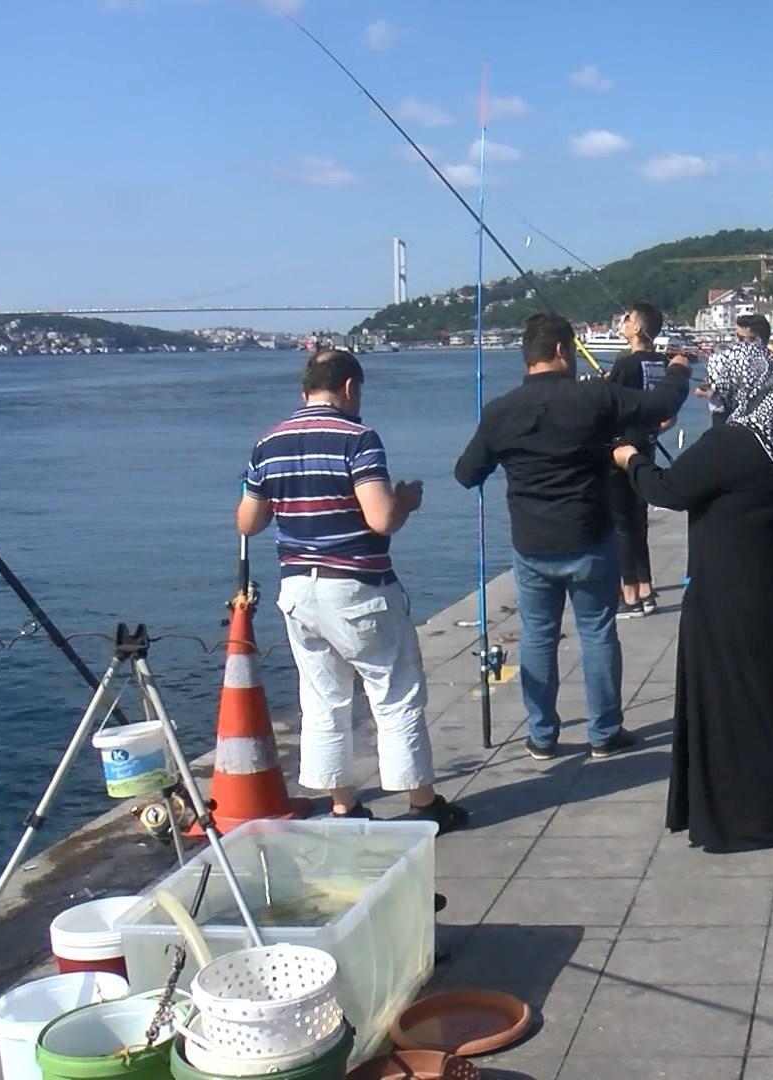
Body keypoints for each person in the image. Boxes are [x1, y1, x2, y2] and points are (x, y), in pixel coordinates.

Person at [611, 339, 773, 852]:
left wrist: (629, 459)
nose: (710, 391)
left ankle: (747, 815)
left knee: (738, 699)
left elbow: (669, 490)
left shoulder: (735, 441)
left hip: (735, 592)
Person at [237, 349, 467, 830]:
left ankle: (343, 805)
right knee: (395, 694)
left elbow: (248, 521)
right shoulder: (358, 438)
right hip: (357, 587)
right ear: (348, 388)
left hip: (298, 590)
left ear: (304, 392)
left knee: (322, 699)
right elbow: (381, 519)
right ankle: (422, 804)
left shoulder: (268, 442)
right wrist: (404, 501)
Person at [454, 314, 690, 760]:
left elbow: (467, 474)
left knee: (538, 636)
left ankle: (542, 736)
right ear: (563, 351)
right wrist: (678, 368)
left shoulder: (501, 410)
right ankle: (605, 732)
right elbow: (660, 404)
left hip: (532, 544)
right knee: (597, 632)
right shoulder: (592, 398)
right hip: (590, 536)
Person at [608, 302, 672, 619]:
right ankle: (646, 589)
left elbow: (609, 404)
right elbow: (666, 413)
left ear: (638, 328)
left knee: (621, 524)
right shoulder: (660, 363)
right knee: (638, 522)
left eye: (627, 318)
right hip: (647, 447)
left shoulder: (628, 364)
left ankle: (630, 594)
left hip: (622, 450)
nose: (623, 322)